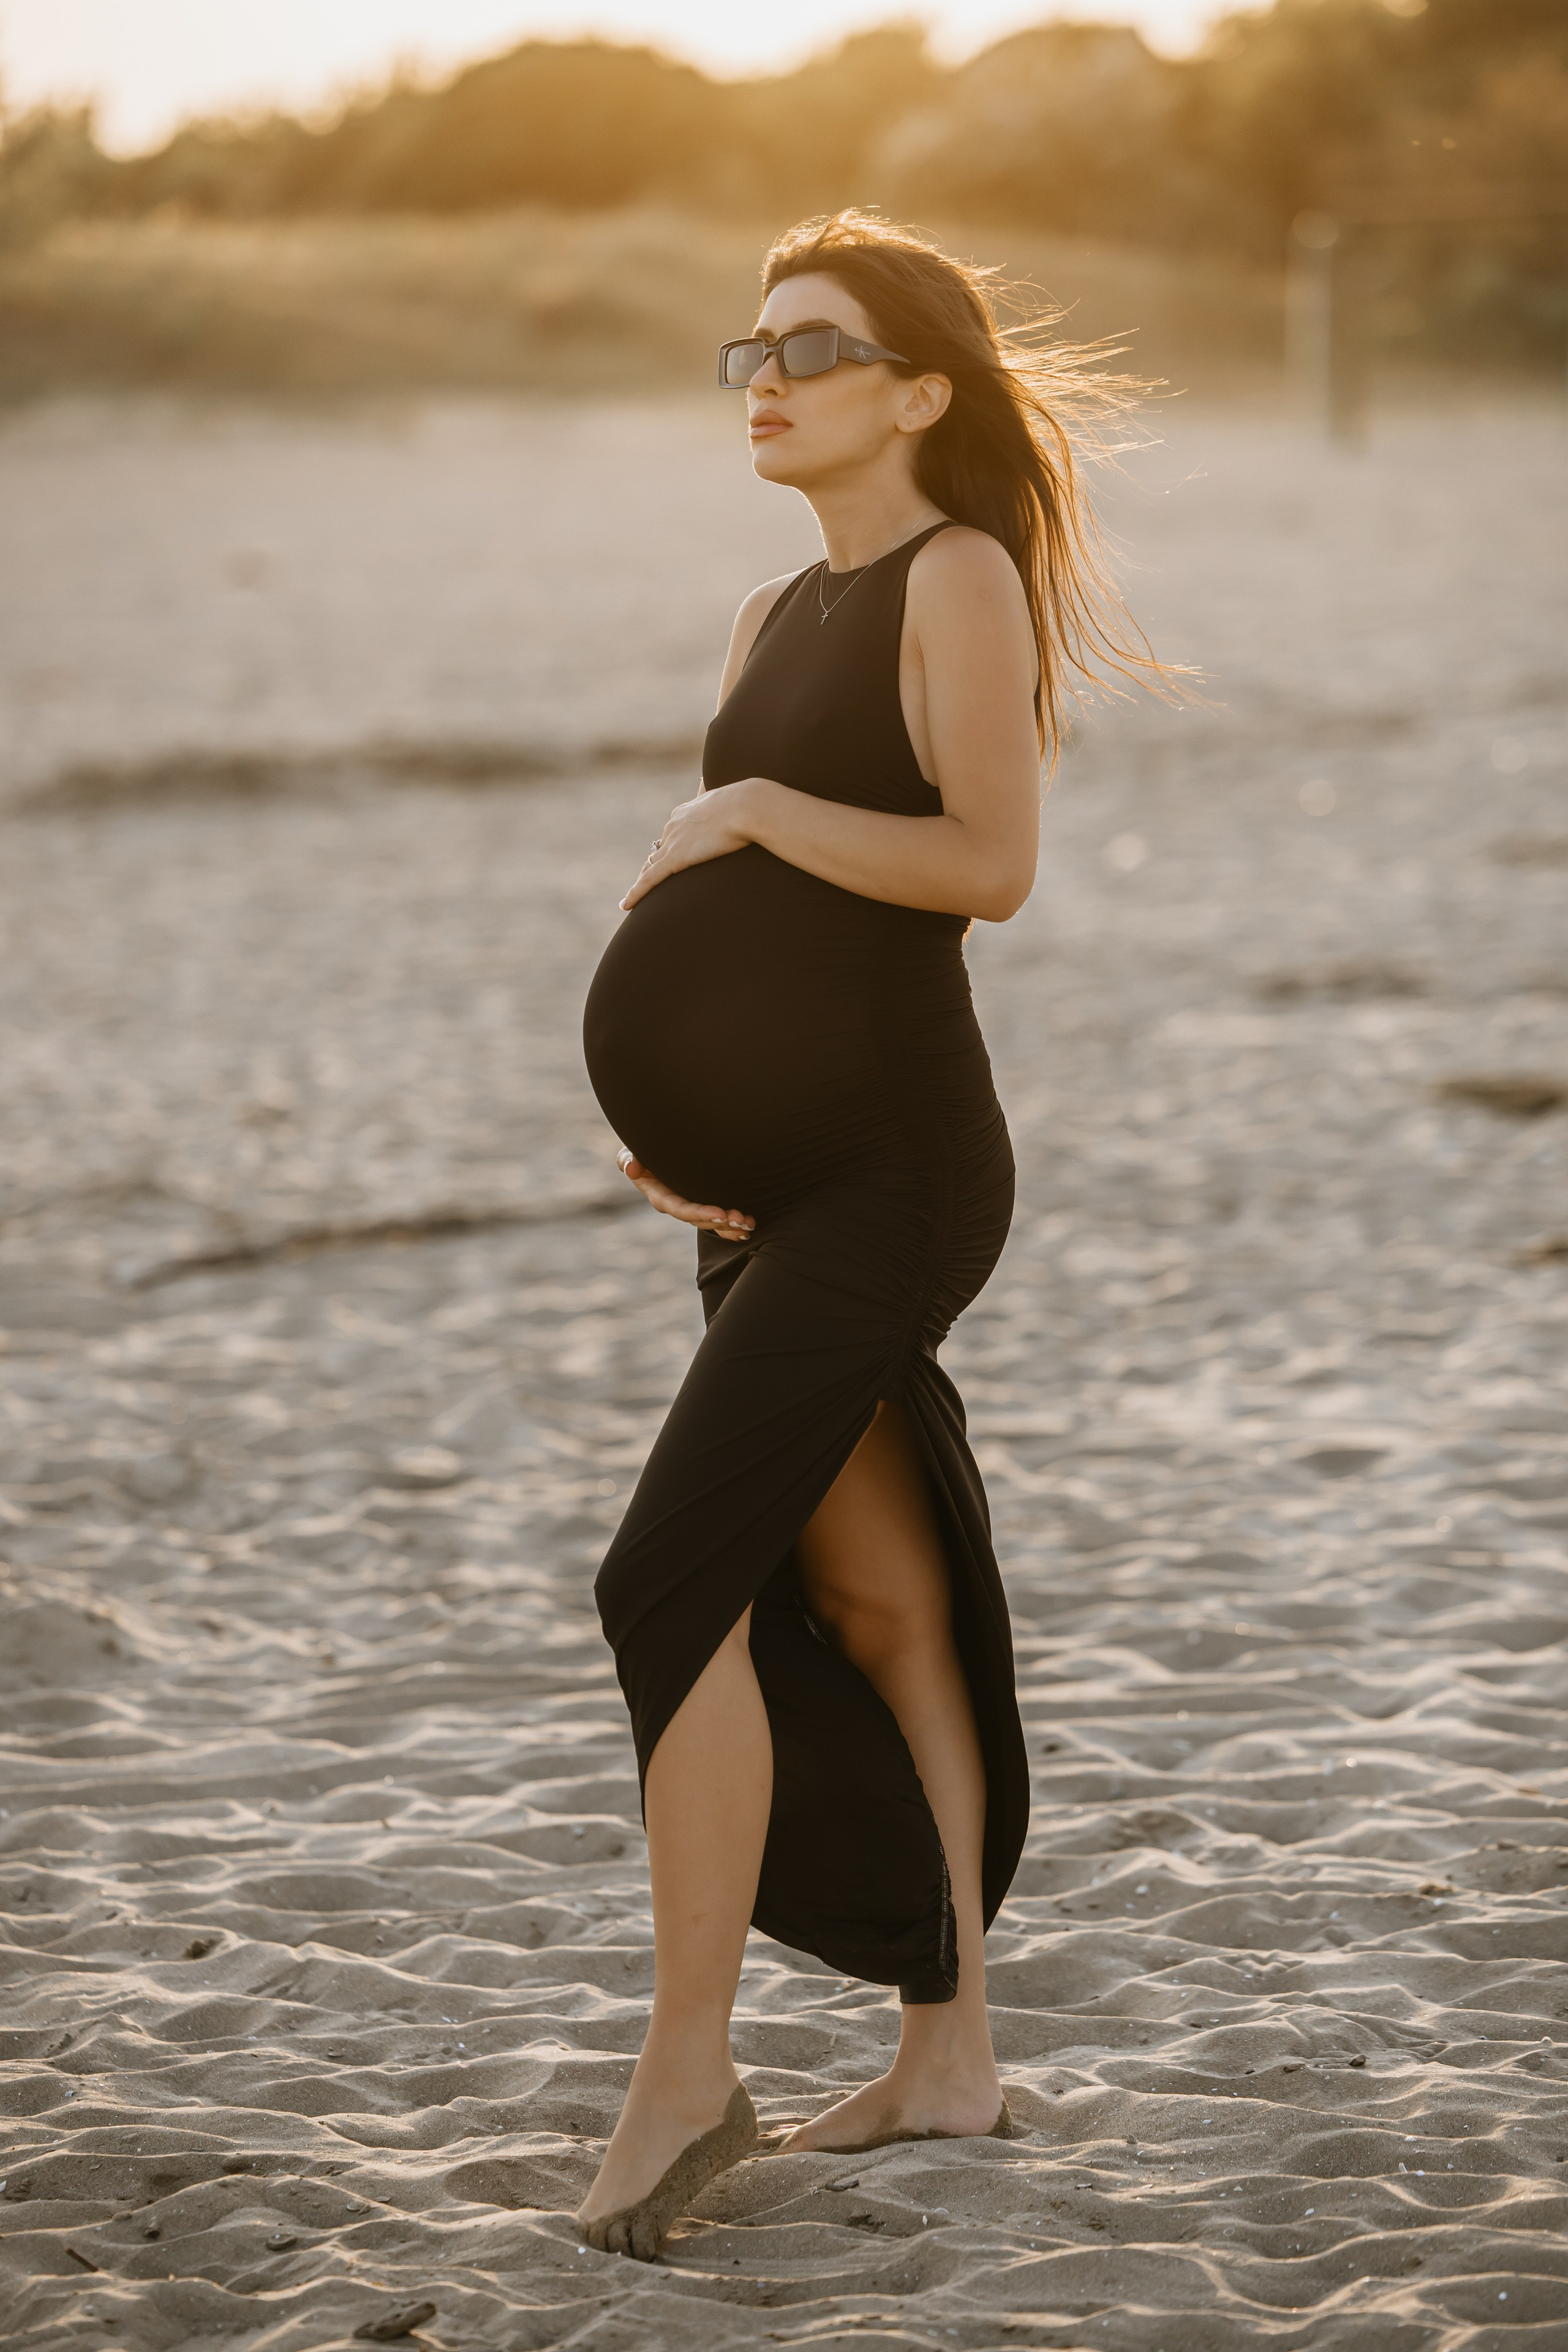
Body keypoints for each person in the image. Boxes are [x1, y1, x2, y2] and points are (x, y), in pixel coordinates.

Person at [576, 209, 1158, 2261]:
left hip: (903, 1175)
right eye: (749, 347)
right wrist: (670, 1130)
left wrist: (740, 820)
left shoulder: (960, 577)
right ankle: (949, 2056)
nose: (769, 377)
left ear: (918, 389)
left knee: (667, 1580)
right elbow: (754, 956)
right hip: (763, 1183)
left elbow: (986, 865)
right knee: (885, 1601)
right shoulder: (765, 612)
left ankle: (686, 2069)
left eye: (813, 348)